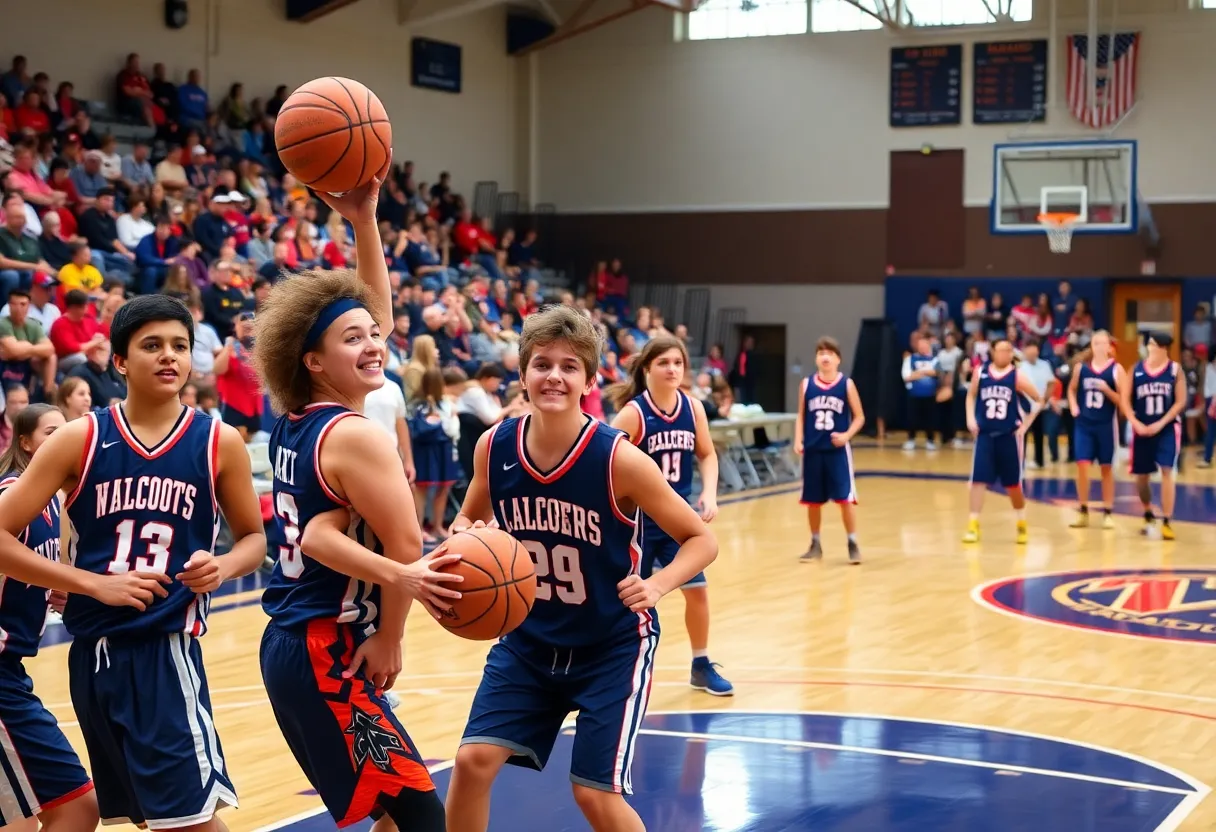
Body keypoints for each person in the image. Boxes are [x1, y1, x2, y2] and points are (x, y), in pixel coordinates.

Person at [442, 305, 717, 832]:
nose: (554, 376)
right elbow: (466, 521)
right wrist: (464, 541)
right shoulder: (493, 447)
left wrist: (657, 584)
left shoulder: (620, 460)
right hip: (528, 640)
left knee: (594, 795)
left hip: (610, 645)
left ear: (590, 380)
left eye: (570, 366)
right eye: (542, 363)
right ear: (522, 374)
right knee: (471, 763)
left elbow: (701, 540)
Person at [0, 293, 268, 831]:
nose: (169, 356)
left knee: (191, 822)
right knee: (141, 818)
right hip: (92, 658)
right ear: (119, 361)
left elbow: (253, 540)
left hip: (162, 651)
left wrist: (224, 566)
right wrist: (90, 584)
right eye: (152, 345)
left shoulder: (219, 441)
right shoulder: (79, 437)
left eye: (180, 346)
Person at [253, 164, 461, 832]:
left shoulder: (296, 417)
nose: (376, 343)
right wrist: (393, 637)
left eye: (375, 334)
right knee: (423, 818)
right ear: (314, 360)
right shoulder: (357, 437)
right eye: (356, 340)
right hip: (326, 652)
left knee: (391, 816)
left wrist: (364, 217)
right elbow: (403, 546)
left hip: (296, 642)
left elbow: (367, 316)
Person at [607, 335, 731, 697]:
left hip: (678, 522)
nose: (673, 369)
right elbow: (606, 462)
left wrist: (709, 493)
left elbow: (707, 454)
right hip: (639, 525)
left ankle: (701, 664)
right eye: (664, 362)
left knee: (698, 593)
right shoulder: (633, 413)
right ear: (648, 368)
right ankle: (618, 666)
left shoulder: (692, 408)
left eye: (678, 362)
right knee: (630, 600)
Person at [0, 404, 99, 832]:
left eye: (68, 433)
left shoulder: (53, 506)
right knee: (75, 808)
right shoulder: (11, 492)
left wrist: (55, 588)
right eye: (51, 433)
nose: (63, 442)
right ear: (25, 444)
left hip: (13, 672)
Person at [963, 337, 1044, 544]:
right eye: (1001, 350)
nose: (1004, 354)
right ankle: (973, 524)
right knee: (977, 481)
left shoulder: (1017, 376)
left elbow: (1038, 399)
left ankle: (1021, 522)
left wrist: (1025, 425)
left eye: (1008, 350)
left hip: (1009, 437)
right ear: (992, 352)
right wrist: (970, 419)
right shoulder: (980, 372)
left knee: (1013, 485)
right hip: (985, 435)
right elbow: (971, 396)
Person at [794, 336, 865, 563]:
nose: (825, 357)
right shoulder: (806, 384)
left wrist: (846, 436)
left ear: (838, 359)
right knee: (812, 501)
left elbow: (860, 417)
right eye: (821, 353)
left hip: (837, 453)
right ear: (816, 358)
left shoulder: (847, 384)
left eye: (830, 353)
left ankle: (852, 542)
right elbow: (801, 415)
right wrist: (798, 439)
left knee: (845, 499)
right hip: (813, 450)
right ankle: (815, 544)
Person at [1120, 332, 1187, 540]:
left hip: (1166, 427)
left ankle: (1167, 520)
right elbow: (1124, 400)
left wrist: (1161, 422)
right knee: (1141, 478)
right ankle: (1148, 511)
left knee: (1167, 470)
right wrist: (1135, 422)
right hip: (1141, 427)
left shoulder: (1175, 370)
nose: (1148, 348)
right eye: (1148, 344)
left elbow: (1180, 402)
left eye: (1152, 344)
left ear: (1163, 348)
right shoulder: (1136, 369)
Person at [1067, 330, 1123, 529]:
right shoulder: (1081, 369)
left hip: (1106, 425)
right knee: (1082, 466)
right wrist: (1073, 405)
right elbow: (1071, 390)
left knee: (1106, 469)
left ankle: (1108, 512)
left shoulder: (1116, 370)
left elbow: (1123, 400)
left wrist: (1108, 390)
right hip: (1084, 424)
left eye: (1102, 343)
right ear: (1091, 346)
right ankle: (1083, 510)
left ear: (1109, 346)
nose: (1099, 346)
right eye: (1095, 343)